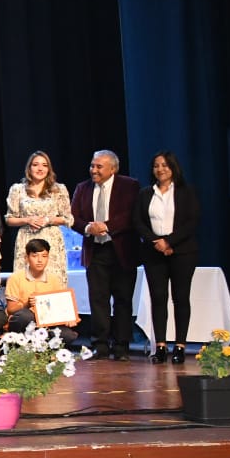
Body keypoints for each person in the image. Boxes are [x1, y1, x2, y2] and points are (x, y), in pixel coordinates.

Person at [70, 149, 141, 361]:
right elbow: (73, 217)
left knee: (123, 299)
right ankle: (99, 345)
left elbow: (131, 215)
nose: (94, 170)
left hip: (121, 250)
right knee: (98, 299)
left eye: (99, 166)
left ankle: (121, 346)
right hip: (95, 251)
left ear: (113, 169)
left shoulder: (129, 186)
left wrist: (107, 226)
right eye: (92, 165)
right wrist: (88, 228)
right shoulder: (82, 188)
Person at [135, 151, 200, 364]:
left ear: (173, 167)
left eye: (164, 165)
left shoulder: (186, 192)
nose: (160, 169)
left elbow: (192, 221)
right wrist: (157, 242)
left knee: (180, 297)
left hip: (182, 252)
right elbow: (138, 222)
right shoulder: (146, 193)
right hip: (153, 252)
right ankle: (161, 347)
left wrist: (169, 242)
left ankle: (180, 346)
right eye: (156, 165)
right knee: (158, 298)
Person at [5, 151, 73, 287]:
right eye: (35, 165)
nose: (40, 168)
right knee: (26, 283)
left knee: (52, 283)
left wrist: (48, 219)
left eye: (44, 165)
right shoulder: (17, 189)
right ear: (29, 168)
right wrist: (27, 220)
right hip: (27, 239)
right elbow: (9, 219)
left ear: (49, 169)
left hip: (51, 241)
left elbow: (67, 218)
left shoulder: (58, 189)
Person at [4, 238, 80, 346]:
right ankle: (20, 343)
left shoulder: (53, 279)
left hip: (47, 322)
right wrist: (27, 303)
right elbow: (11, 309)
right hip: (25, 321)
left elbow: (60, 306)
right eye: (35, 256)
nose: (40, 260)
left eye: (44, 256)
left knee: (68, 335)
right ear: (27, 258)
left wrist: (68, 318)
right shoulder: (16, 278)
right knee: (25, 316)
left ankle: (42, 347)